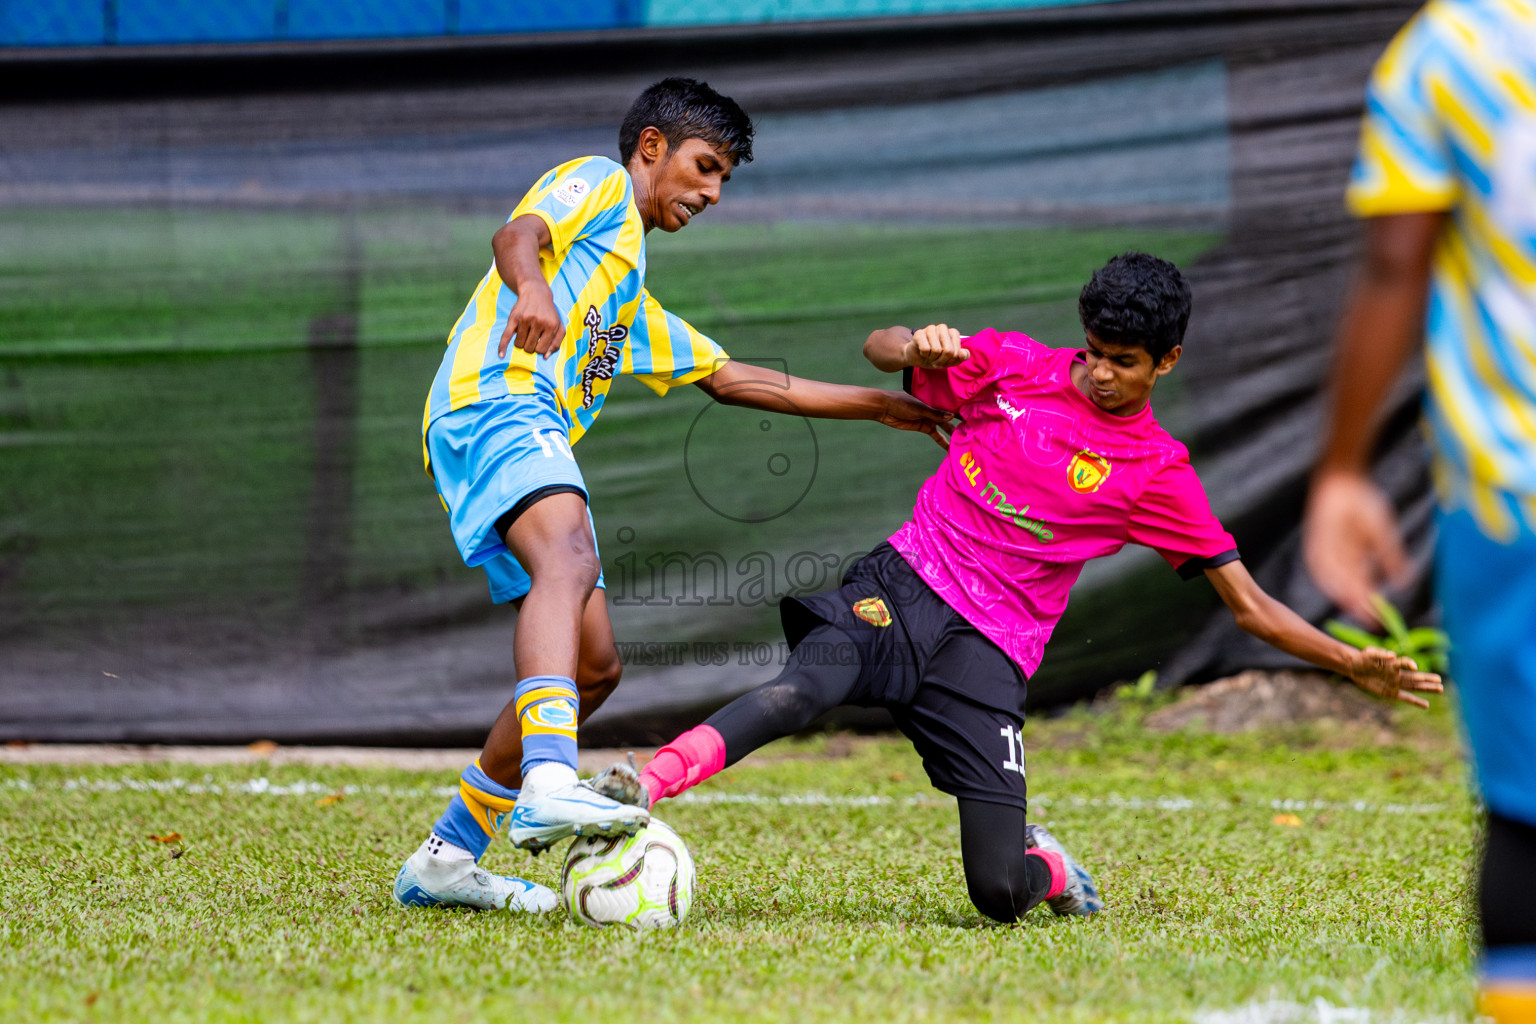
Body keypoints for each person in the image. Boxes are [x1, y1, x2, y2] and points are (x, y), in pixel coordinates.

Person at [603, 253, 1442, 923]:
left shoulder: (1159, 474)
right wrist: (915, 345)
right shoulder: (1012, 367)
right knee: (804, 687)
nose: (1101, 375)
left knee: (998, 892)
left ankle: (1048, 864)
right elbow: (880, 345)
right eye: (1094, 353)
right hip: (904, 586)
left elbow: (1250, 606)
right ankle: (642, 784)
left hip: (990, 652)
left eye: (1125, 364)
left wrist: (1349, 661)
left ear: (1168, 362)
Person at [393, 78, 951, 914]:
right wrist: (533, 290)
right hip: (495, 399)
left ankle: (445, 859)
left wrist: (884, 407)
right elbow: (519, 234)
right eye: (704, 166)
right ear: (652, 146)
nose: (711, 192)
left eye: (724, 179)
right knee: (569, 558)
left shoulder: (625, 295)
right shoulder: (602, 184)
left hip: (507, 423)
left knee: (596, 667)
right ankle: (549, 779)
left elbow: (735, 379)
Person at [1300, 2, 1536, 1016]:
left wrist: (1344, 469)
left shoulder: (1454, 48)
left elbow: (1396, 262)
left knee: (1526, 817)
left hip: (1512, 487)